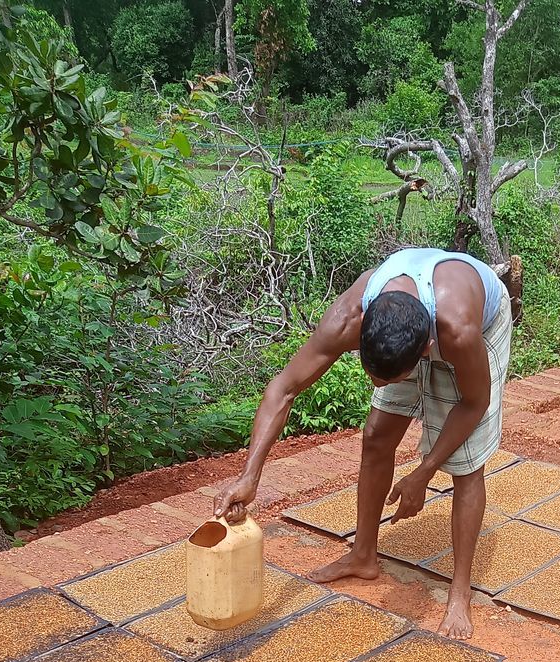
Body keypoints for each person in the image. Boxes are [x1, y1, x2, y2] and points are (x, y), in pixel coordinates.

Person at [213, 247, 513, 639]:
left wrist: (423, 473)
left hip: (479, 322)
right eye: (372, 373)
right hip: (410, 329)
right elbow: (283, 390)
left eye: (387, 379)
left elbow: (476, 403)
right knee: (375, 437)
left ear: (424, 352)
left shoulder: (459, 328)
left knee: (466, 466)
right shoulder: (349, 316)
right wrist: (250, 475)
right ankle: (363, 555)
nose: (377, 385)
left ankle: (459, 592)